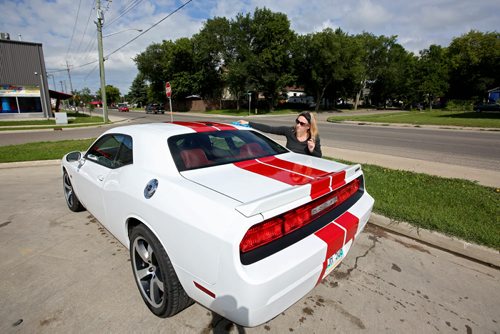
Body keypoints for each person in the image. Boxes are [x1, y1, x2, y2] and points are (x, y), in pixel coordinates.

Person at [238, 111, 322, 157]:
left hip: (304, 168)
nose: (298, 125)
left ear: (308, 126)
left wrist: (311, 150)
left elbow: (319, 156)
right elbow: (270, 129)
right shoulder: (290, 131)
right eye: (297, 121)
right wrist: (248, 123)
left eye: (302, 123)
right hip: (290, 165)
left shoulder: (314, 137)